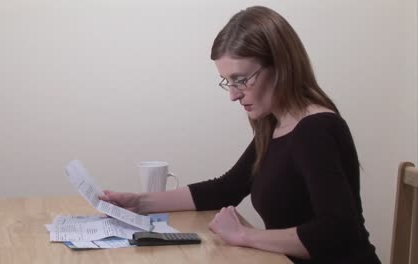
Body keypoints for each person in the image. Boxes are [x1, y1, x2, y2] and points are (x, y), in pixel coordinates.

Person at [99, 6, 381, 264]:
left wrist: (245, 235)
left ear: (281, 66)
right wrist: (139, 202)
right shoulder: (275, 125)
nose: (233, 95)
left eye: (241, 80)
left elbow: (338, 232)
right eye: (228, 82)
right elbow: (226, 188)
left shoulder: (315, 129)